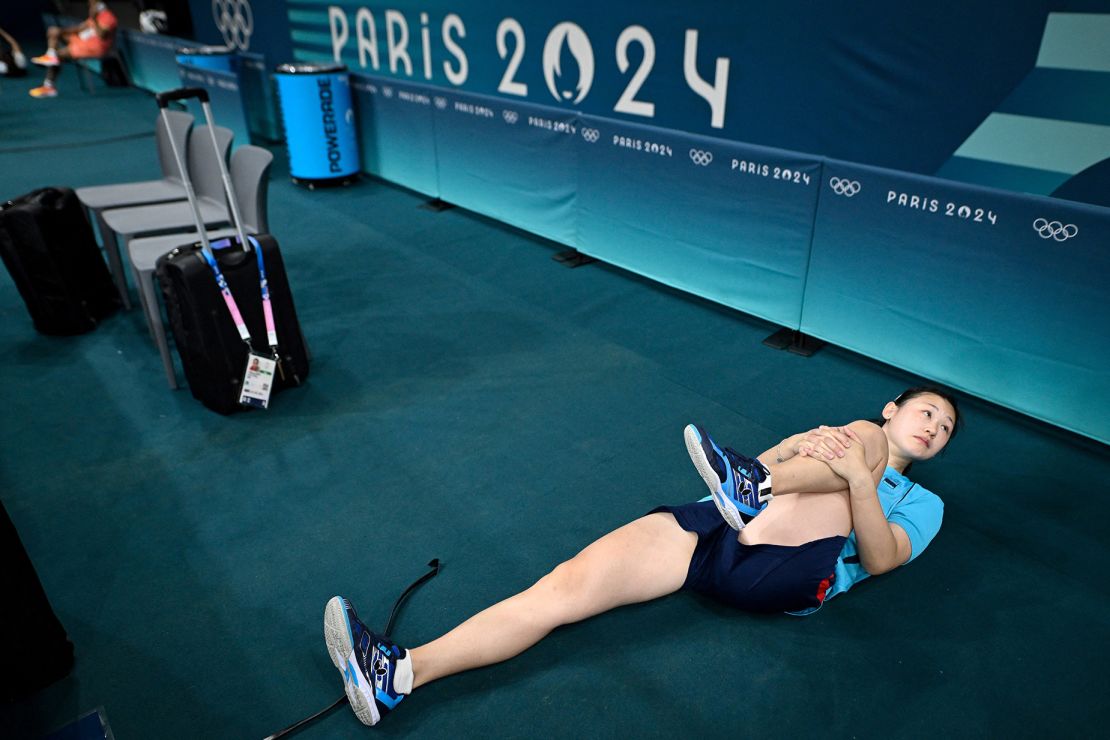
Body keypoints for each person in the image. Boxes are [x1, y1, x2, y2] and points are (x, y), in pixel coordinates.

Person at [325, 386, 959, 726]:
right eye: (925, 410)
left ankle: (757, 486)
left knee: (852, 449)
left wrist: (856, 475)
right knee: (563, 586)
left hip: (787, 569)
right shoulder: (836, 437)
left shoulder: (918, 500)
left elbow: (879, 560)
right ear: (894, 406)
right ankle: (400, 675)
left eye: (945, 427)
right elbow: (729, 489)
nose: (933, 425)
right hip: (721, 530)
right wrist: (791, 448)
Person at [28, 0, 118, 98]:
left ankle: (48, 86)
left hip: (94, 48)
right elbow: (80, 28)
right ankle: (50, 55)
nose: (90, 5)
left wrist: (94, 18)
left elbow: (102, 35)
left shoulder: (108, 18)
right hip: (82, 42)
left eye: (92, 3)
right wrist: (61, 31)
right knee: (54, 31)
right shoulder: (94, 17)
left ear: (100, 4)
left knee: (58, 56)